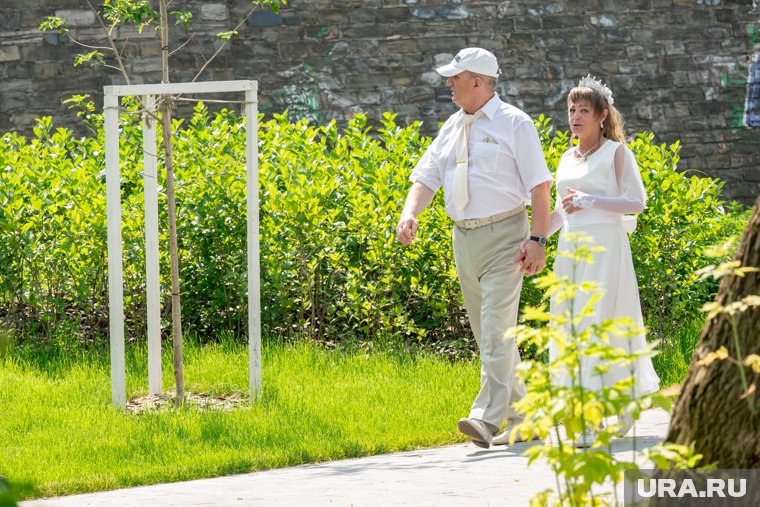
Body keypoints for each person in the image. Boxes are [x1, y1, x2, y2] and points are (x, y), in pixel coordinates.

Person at [395, 47, 552, 449]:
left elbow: (539, 185)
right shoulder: (451, 126)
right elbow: (427, 176)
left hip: (507, 237)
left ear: (479, 82)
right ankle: (526, 418)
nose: (448, 82)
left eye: (456, 77)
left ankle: (487, 417)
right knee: (489, 335)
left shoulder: (515, 123)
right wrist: (409, 214)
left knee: (497, 330)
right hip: (464, 238)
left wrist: (538, 240)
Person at [543, 75, 660, 446]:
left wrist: (591, 201)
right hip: (571, 250)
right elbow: (564, 210)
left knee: (600, 323)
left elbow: (636, 202)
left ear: (602, 115)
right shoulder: (565, 157)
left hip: (606, 249)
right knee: (571, 327)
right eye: (571, 110)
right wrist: (536, 239)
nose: (575, 116)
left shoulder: (617, 153)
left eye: (583, 110)